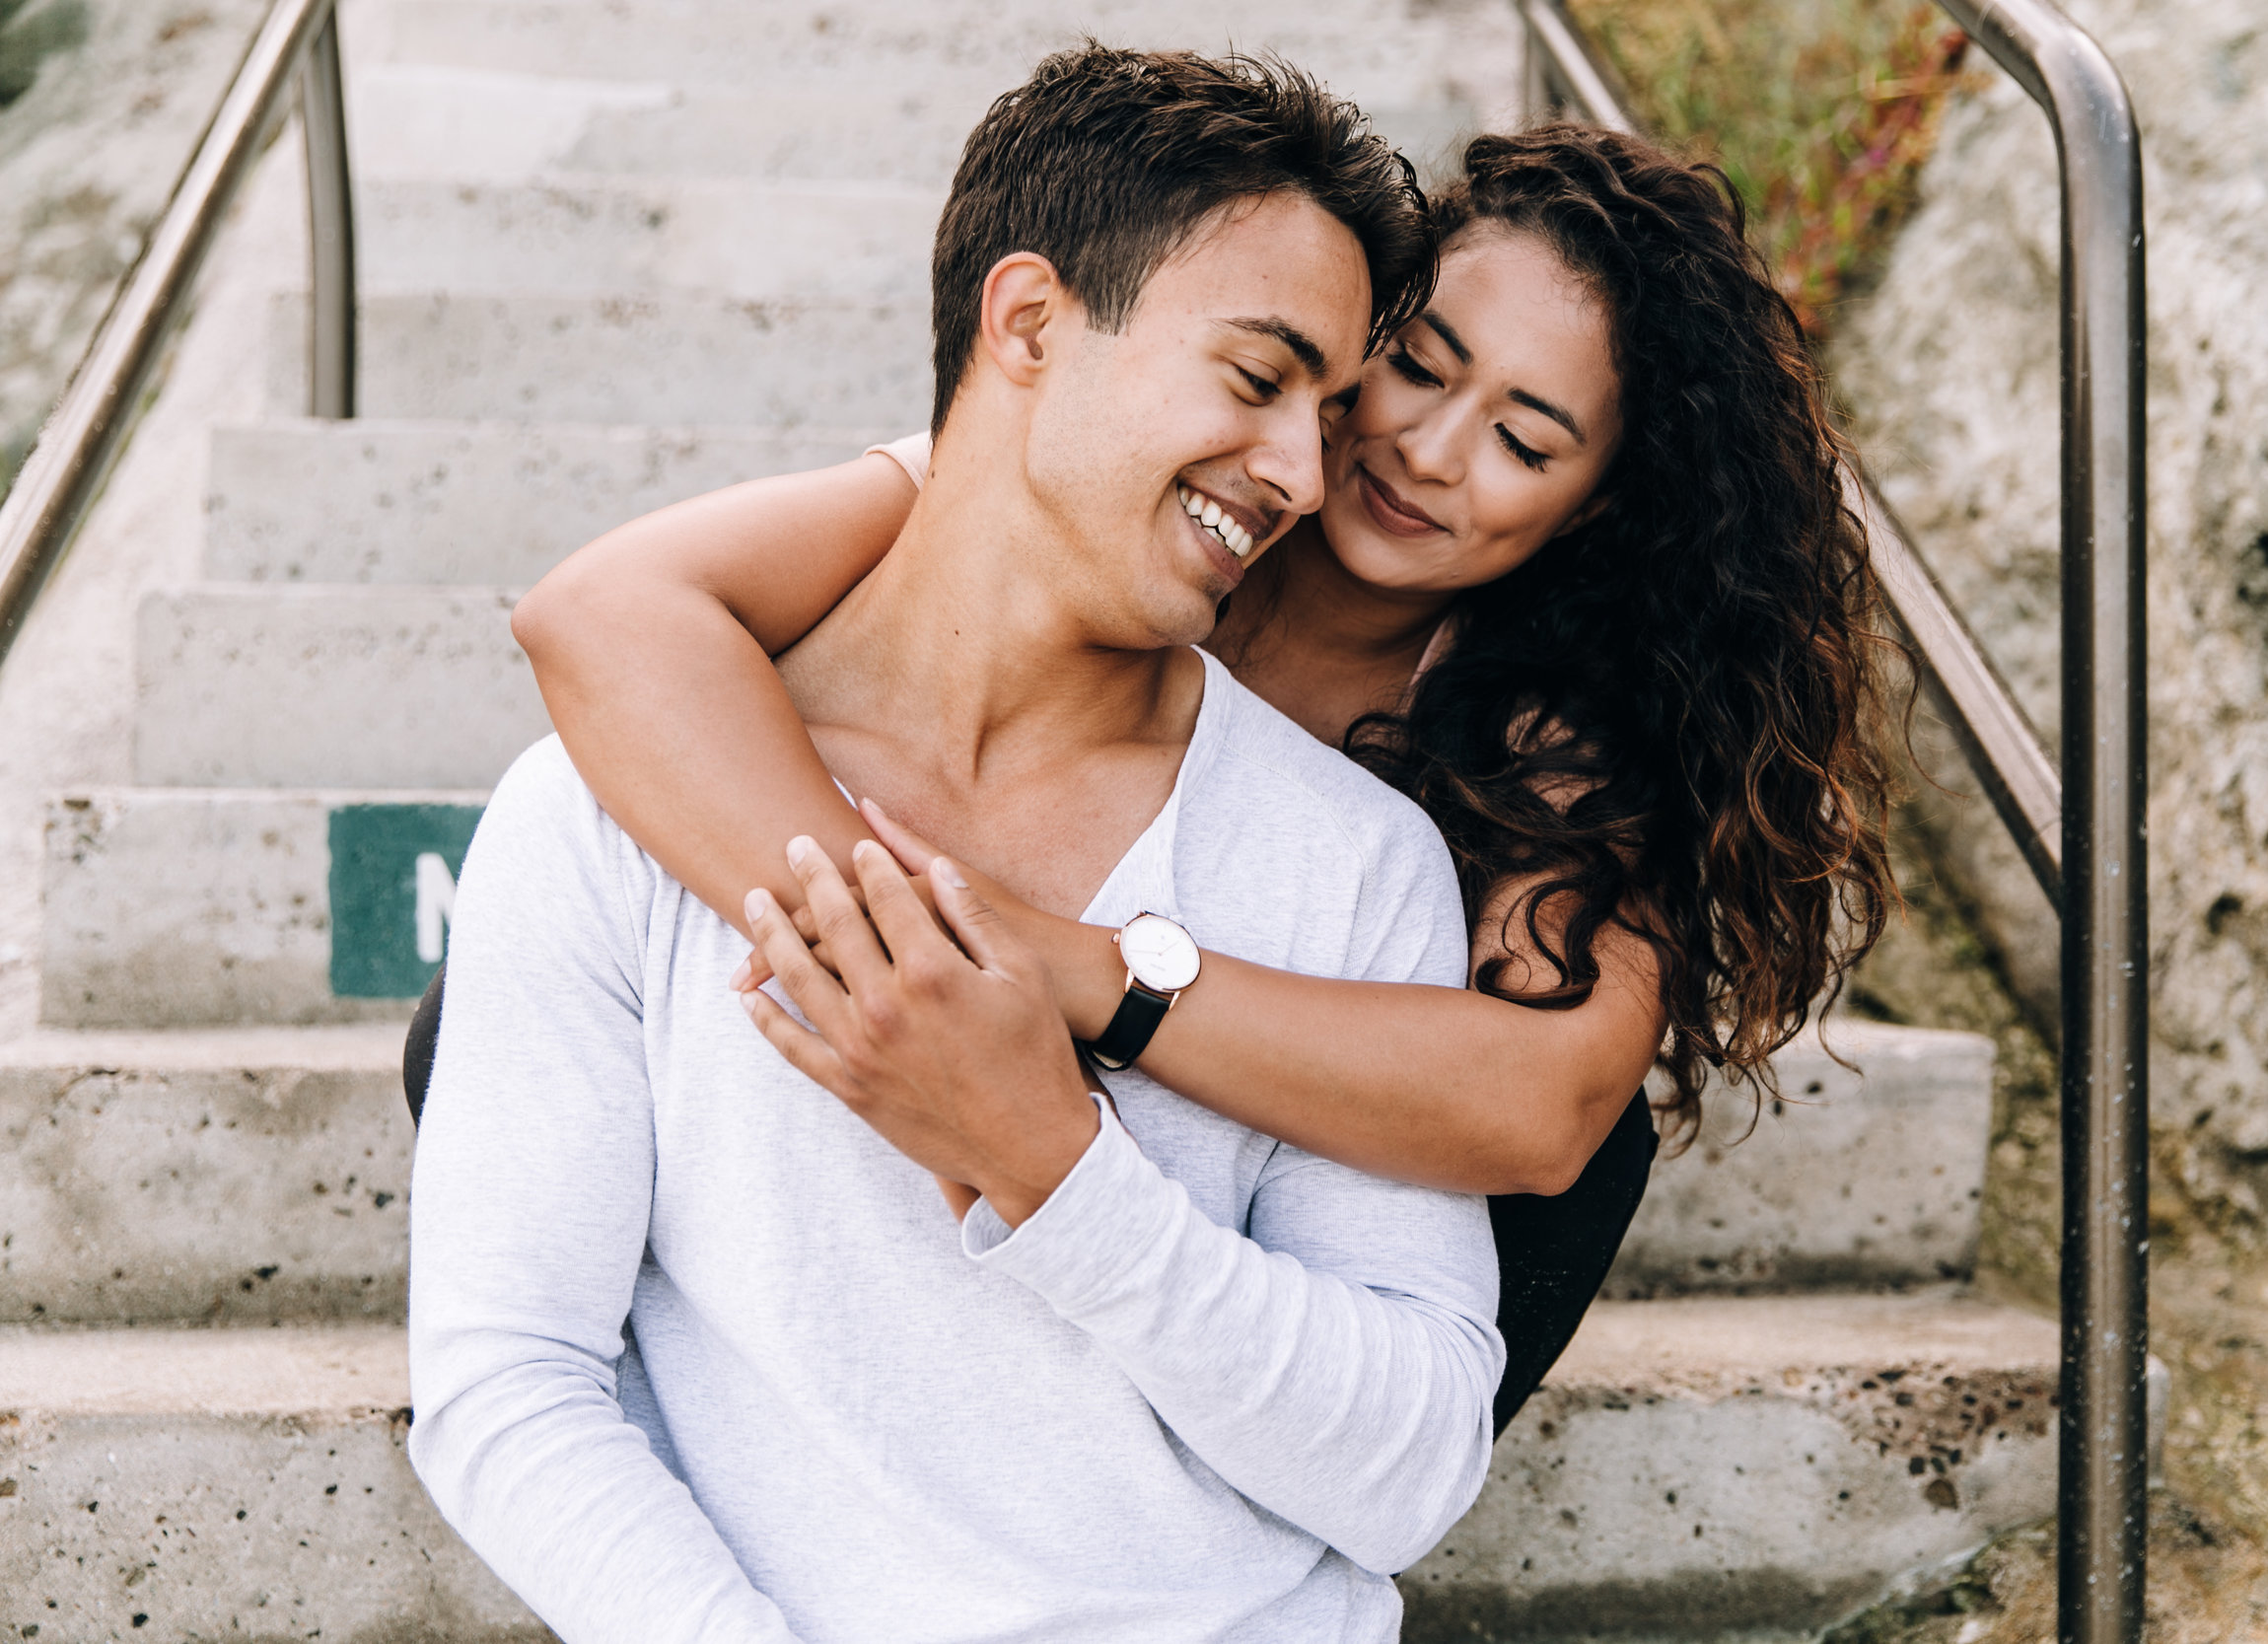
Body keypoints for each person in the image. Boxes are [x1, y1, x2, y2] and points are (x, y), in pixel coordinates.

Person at [499, 121, 1901, 1422]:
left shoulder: (1557, 733)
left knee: (1587, 1177)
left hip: (1226, 1211)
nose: (1427, 447)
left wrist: (1064, 970)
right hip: (934, 1112)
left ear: (1598, 503)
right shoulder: (1146, 472)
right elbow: (607, 615)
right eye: (1416, 365)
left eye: (1525, 441)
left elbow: (1543, 1112)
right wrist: (896, 956)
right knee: (532, 991)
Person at [408, 47, 1506, 1644]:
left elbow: (1410, 1476)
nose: (1305, 473)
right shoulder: (603, 816)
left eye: (1332, 412)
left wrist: (1053, 1166)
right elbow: (508, 1384)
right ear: (1030, 324)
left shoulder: (1356, 860)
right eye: (1260, 379)